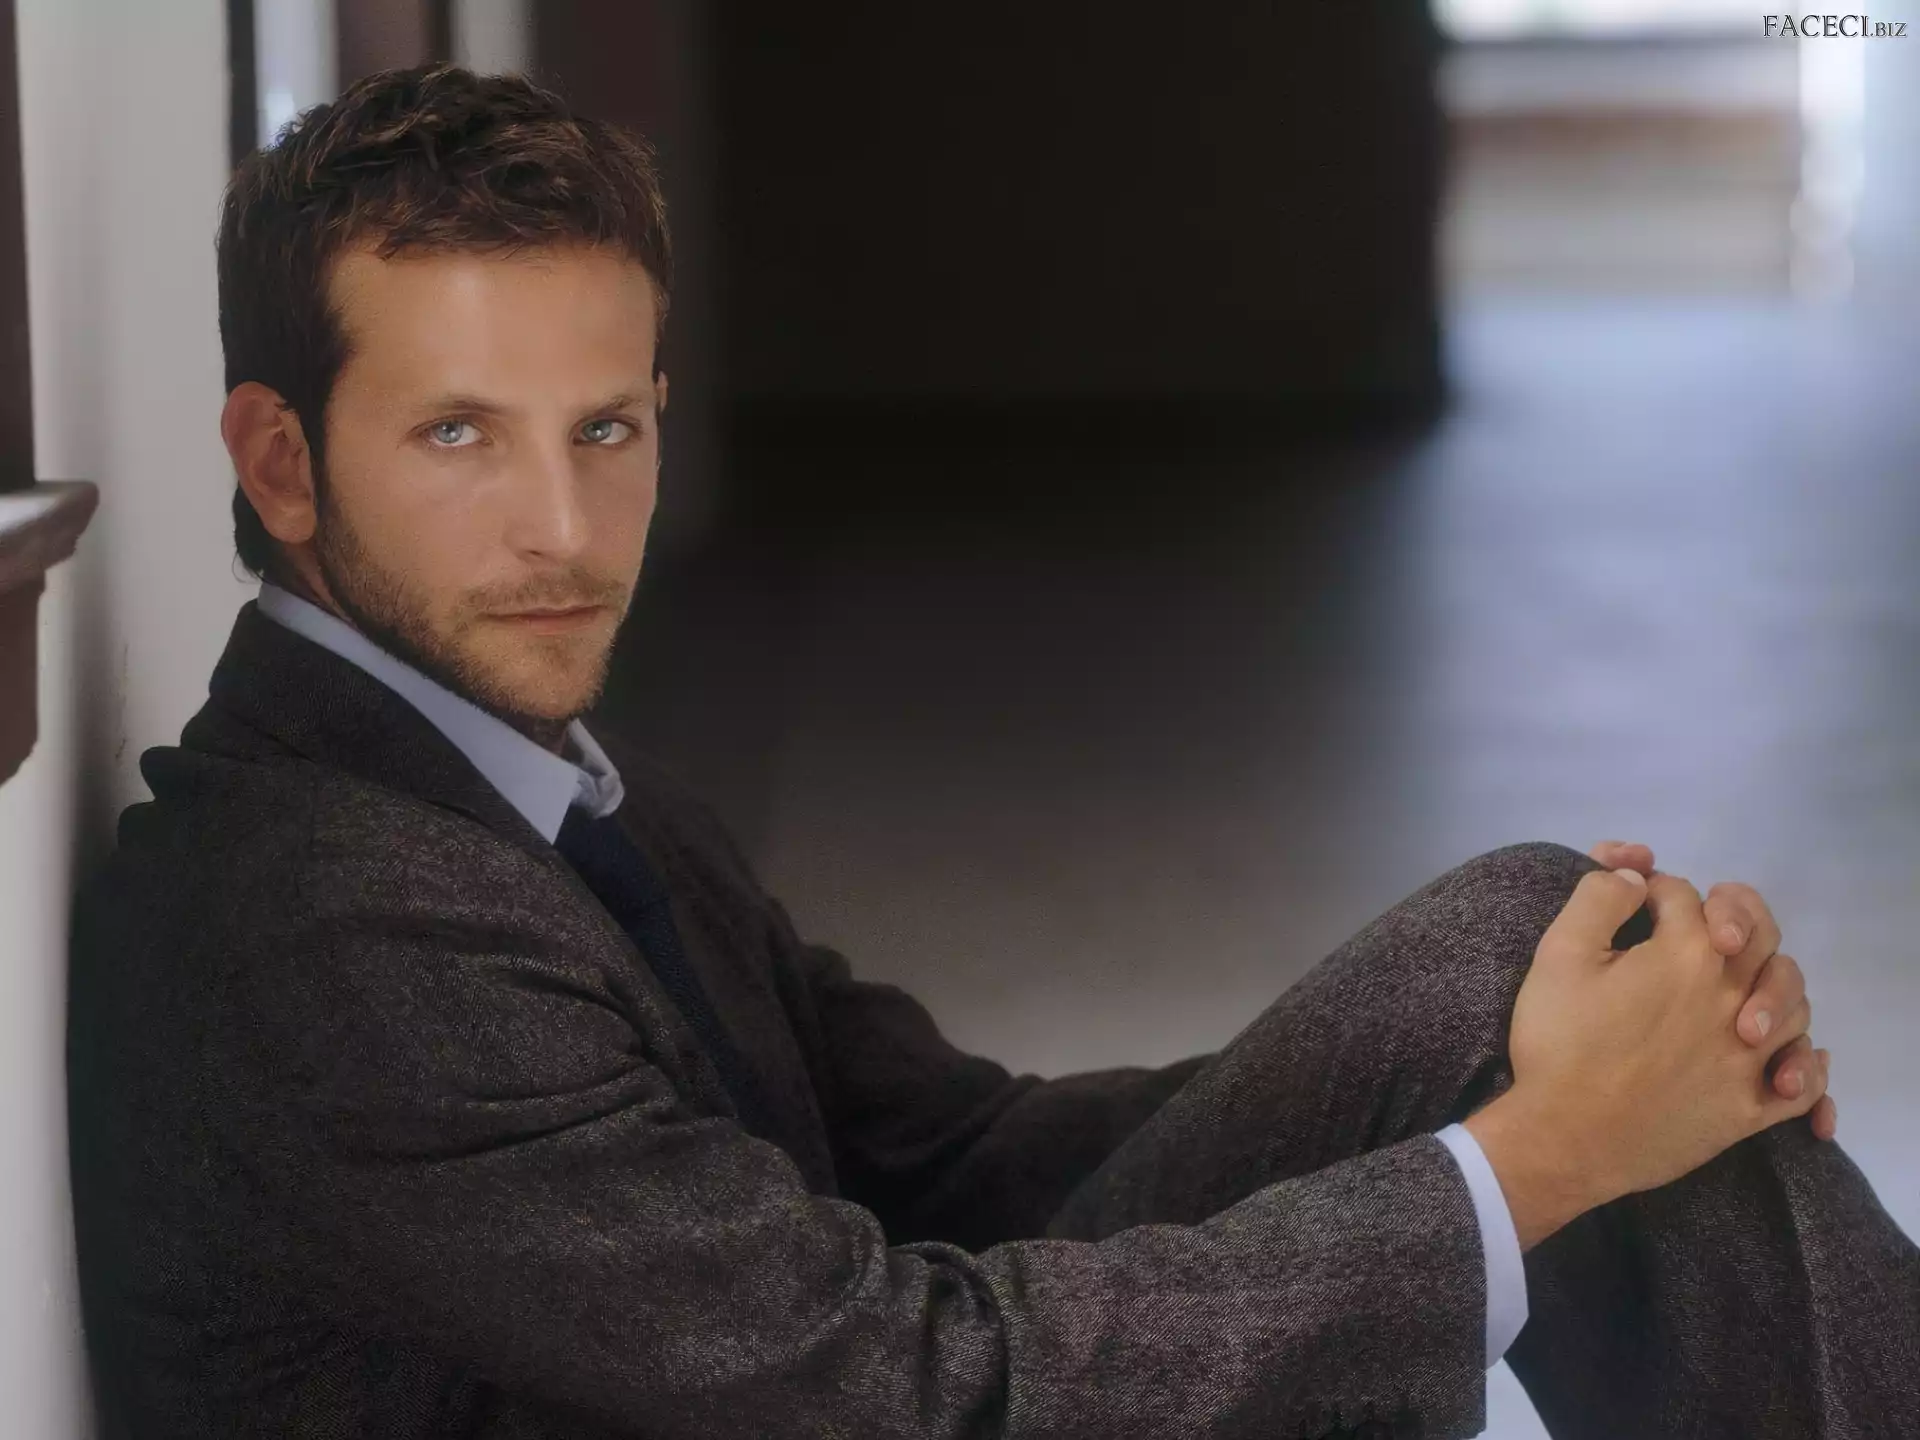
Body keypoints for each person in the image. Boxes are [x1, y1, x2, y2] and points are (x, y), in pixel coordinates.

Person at [65, 64, 1916, 1439]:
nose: (563, 527)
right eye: (461, 435)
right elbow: (904, 1396)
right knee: (1550, 1077)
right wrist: (1540, 1155)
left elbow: (958, 1156)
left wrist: (1537, 1070)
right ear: (281, 459)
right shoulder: (328, 921)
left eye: (606, 430)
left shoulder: (521, 785)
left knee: (1540, 962)